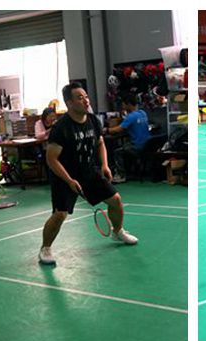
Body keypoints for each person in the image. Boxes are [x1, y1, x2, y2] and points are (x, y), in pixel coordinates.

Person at [39, 82, 138, 267]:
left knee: (116, 200)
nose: (86, 101)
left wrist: (105, 165)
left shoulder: (92, 120)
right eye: (80, 98)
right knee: (60, 214)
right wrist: (69, 180)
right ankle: (45, 248)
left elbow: (100, 143)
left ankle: (117, 231)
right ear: (69, 103)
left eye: (86, 96)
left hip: (89, 171)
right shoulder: (61, 128)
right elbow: (51, 159)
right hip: (64, 175)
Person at [105, 95, 151, 183]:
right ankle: (128, 171)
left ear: (128, 104)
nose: (122, 106)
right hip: (147, 144)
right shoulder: (142, 113)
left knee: (117, 152)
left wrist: (106, 130)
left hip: (137, 146)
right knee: (125, 146)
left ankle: (121, 175)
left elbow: (118, 129)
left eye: (123, 104)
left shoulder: (131, 116)